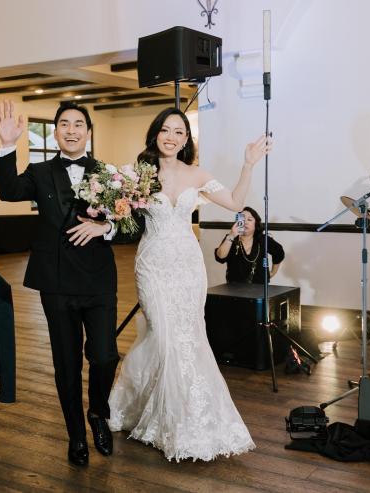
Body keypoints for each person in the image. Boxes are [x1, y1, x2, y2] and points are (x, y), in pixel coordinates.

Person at [108, 108, 268, 461]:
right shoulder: (137, 173)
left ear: (186, 139)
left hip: (188, 266)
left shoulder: (197, 174)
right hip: (152, 264)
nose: (172, 137)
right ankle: (154, 413)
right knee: (163, 335)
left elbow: (235, 203)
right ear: (156, 134)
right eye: (166, 130)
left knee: (188, 337)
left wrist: (248, 165)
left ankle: (184, 421)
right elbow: (115, 212)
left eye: (179, 132)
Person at [0, 100, 118, 467]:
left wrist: (105, 227)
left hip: (98, 280)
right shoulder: (40, 171)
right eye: (64, 124)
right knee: (66, 363)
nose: (71, 130)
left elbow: (133, 224)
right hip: (57, 281)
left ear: (88, 132)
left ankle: (98, 412)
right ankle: (76, 435)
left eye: (78, 124)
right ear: (56, 131)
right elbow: (8, 191)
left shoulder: (109, 174)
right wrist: (7, 146)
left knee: (105, 355)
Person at [214, 207, 284, 283]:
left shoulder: (263, 239)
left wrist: (272, 273)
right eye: (242, 219)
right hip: (234, 288)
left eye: (249, 220)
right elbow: (220, 257)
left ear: (256, 224)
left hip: (260, 287)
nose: (245, 222)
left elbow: (279, 253)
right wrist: (231, 235)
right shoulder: (231, 238)